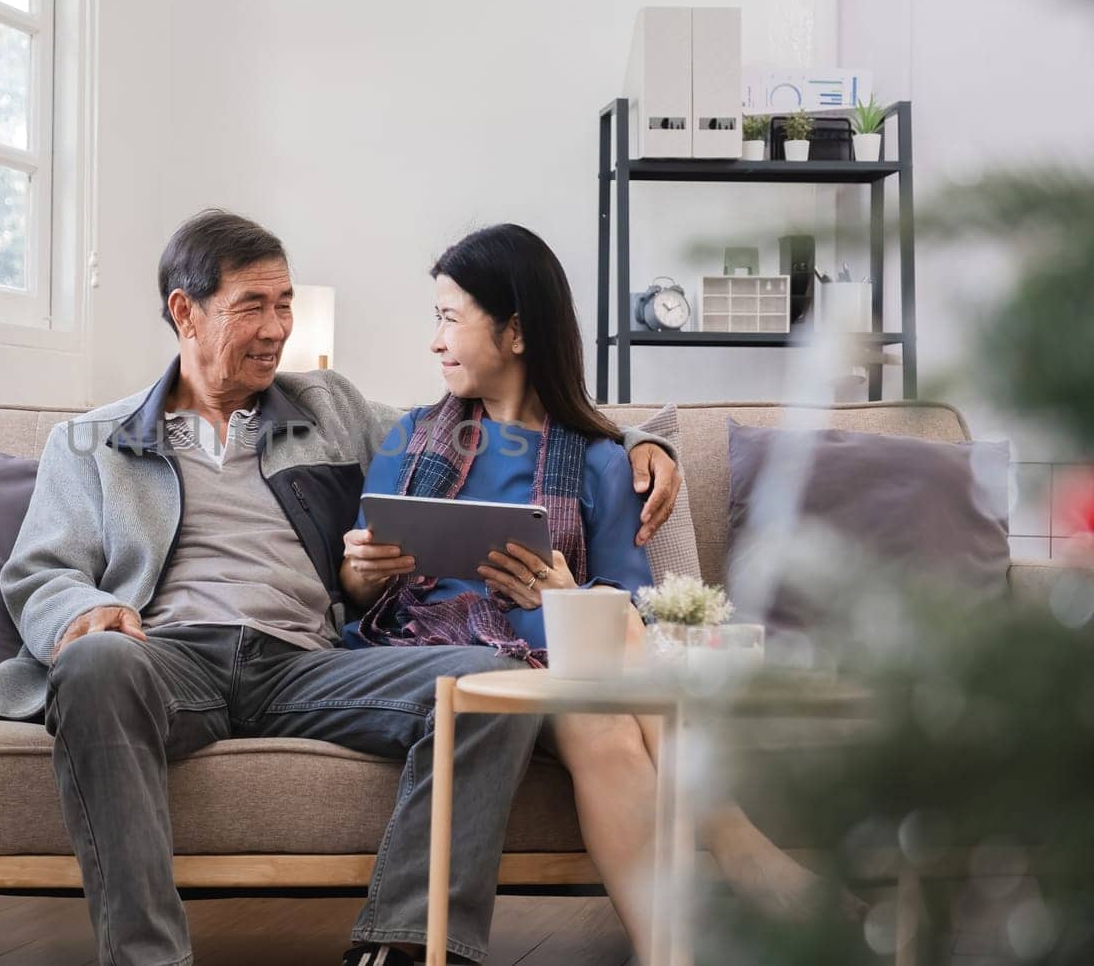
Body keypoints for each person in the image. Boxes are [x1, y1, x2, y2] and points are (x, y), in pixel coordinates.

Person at [0, 210, 683, 966]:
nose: (277, 329)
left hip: (307, 663)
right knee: (92, 664)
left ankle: (403, 947)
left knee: (489, 686)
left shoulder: (331, 407)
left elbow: (496, 413)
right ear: (184, 312)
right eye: (252, 307)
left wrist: (637, 442)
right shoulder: (92, 440)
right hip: (168, 657)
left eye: (285, 304)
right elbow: (39, 572)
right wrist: (88, 611)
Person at [338, 223, 830, 959]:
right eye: (435, 319)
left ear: (515, 332)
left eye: (449, 319)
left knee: (601, 723)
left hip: (559, 672)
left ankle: (672, 952)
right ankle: (734, 838)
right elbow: (356, 589)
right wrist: (360, 569)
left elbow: (628, 607)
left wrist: (563, 594)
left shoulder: (604, 461)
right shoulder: (407, 438)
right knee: (600, 698)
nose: (435, 341)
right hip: (428, 652)